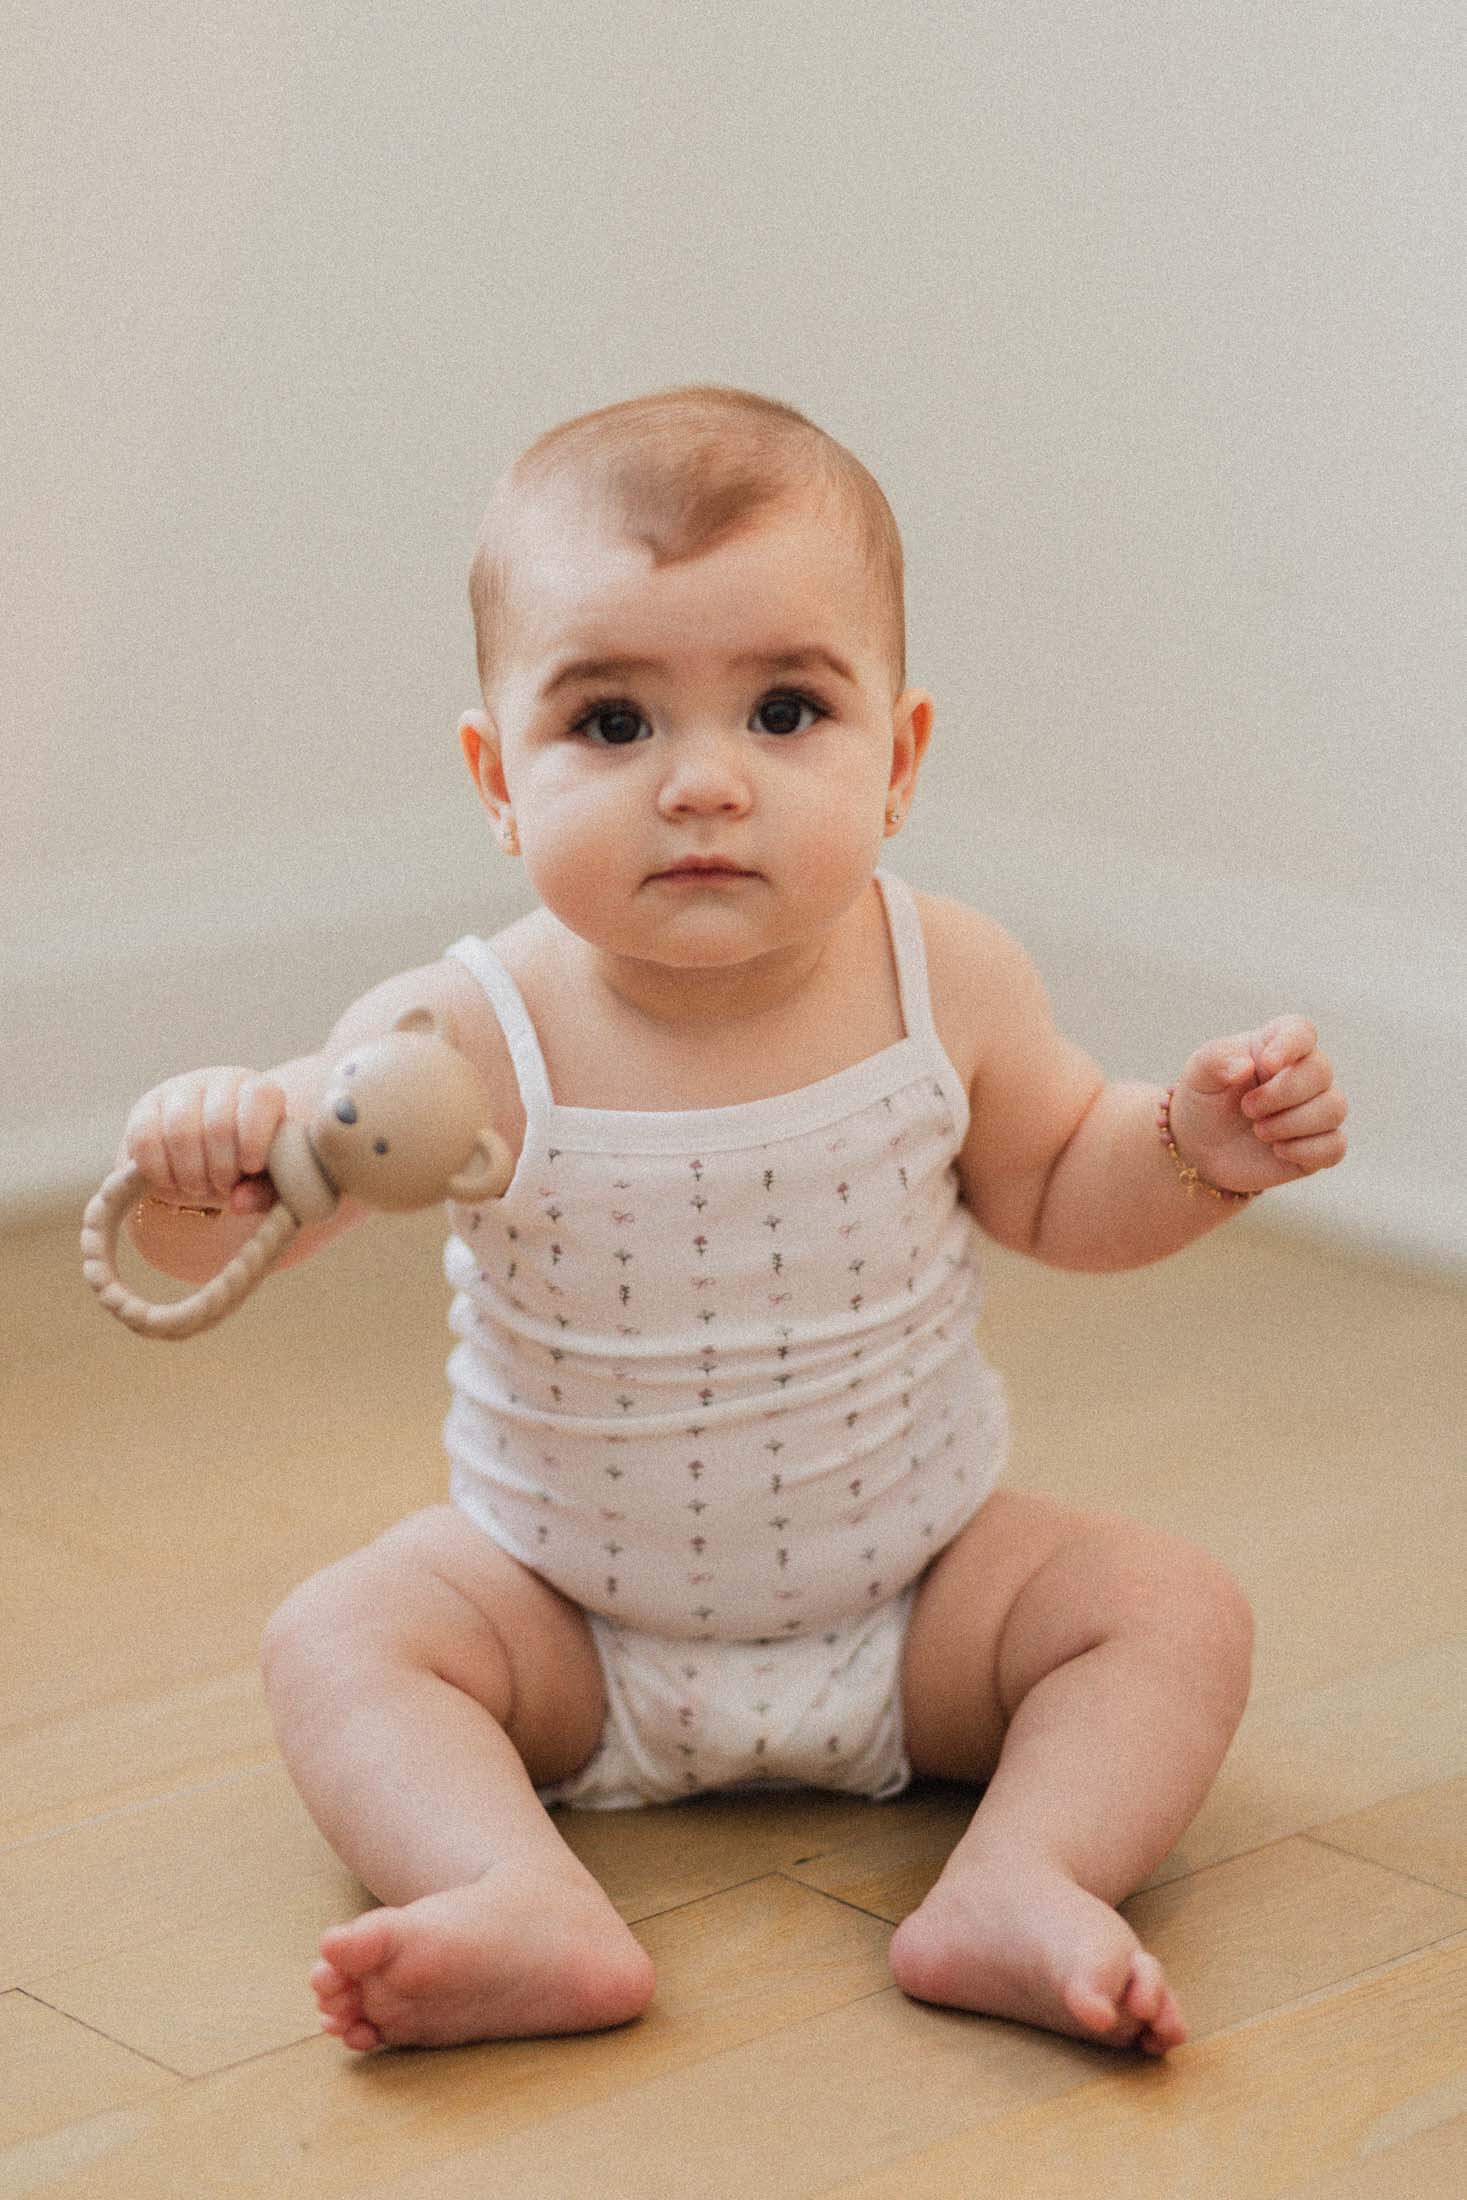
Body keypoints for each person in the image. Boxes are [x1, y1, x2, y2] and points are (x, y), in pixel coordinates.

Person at [118, 385, 1348, 2059]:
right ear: (499, 778)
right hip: (559, 1622)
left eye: (784, 710)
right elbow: (238, 1230)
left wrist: (1199, 1147)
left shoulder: (950, 978)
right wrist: (206, 1154)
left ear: (898, 756)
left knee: (1170, 1610)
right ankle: (509, 1888)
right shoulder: (462, 1034)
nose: (703, 784)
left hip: (921, 1602)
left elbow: (1066, 1185)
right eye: (614, 725)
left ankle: (1024, 1875)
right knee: (340, 1639)